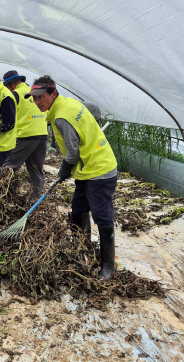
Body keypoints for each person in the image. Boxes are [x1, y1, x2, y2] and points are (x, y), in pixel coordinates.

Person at [26, 75, 118, 279]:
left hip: (99, 170)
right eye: (34, 98)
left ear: (52, 93)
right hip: (87, 169)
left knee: (102, 215)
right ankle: (80, 249)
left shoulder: (61, 117)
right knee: (78, 208)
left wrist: (64, 168)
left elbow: (73, 152)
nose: (37, 102)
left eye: (41, 97)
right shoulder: (68, 103)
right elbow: (93, 109)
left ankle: (108, 266)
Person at [1, 70, 49, 197]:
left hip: (26, 135)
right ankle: (36, 199)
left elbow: (7, 115)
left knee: (9, 166)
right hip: (42, 134)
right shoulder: (34, 92)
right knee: (36, 169)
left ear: (11, 84)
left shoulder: (16, 94)